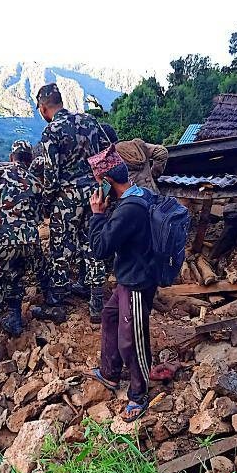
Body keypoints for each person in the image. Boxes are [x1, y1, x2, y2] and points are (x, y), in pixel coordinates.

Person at [86, 146, 157, 423]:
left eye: (98, 182)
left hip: (138, 280)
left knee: (132, 338)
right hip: (132, 274)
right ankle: (110, 372)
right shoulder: (141, 194)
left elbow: (100, 247)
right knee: (110, 315)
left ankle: (139, 394)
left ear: (106, 182)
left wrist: (97, 214)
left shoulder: (127, 210)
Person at [30, 83, 111, 323]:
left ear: (44, 108)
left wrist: (46, 202)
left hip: (66, 197)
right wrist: (101, 185)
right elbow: (108, 153)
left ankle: (57, 300)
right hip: (94, 194)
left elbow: (51, 175)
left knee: (61, 247)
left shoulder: (51, 132)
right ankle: (96, 302)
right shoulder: (89, 121)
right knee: (93, 243)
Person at [0, 140, 44, 366]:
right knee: (16, 278)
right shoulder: (35, 181)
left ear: (12, 156)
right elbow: (39, 215)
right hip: (29, 241)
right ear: (29, 159)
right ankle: (14, 318)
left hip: (1, 240)